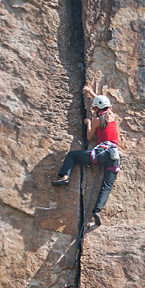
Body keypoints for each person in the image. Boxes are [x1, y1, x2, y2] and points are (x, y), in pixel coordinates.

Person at [52, 85, 120, 226]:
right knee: (106, 186)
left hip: (101, 154)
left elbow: (89, 137)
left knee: (73, 155)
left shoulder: (96, 121)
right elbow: (101, 102)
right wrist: (90, 92)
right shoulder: (111, 116)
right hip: (114, 157)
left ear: (96, 109)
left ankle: (65, 176)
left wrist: (88, 123)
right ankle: (97, 211)